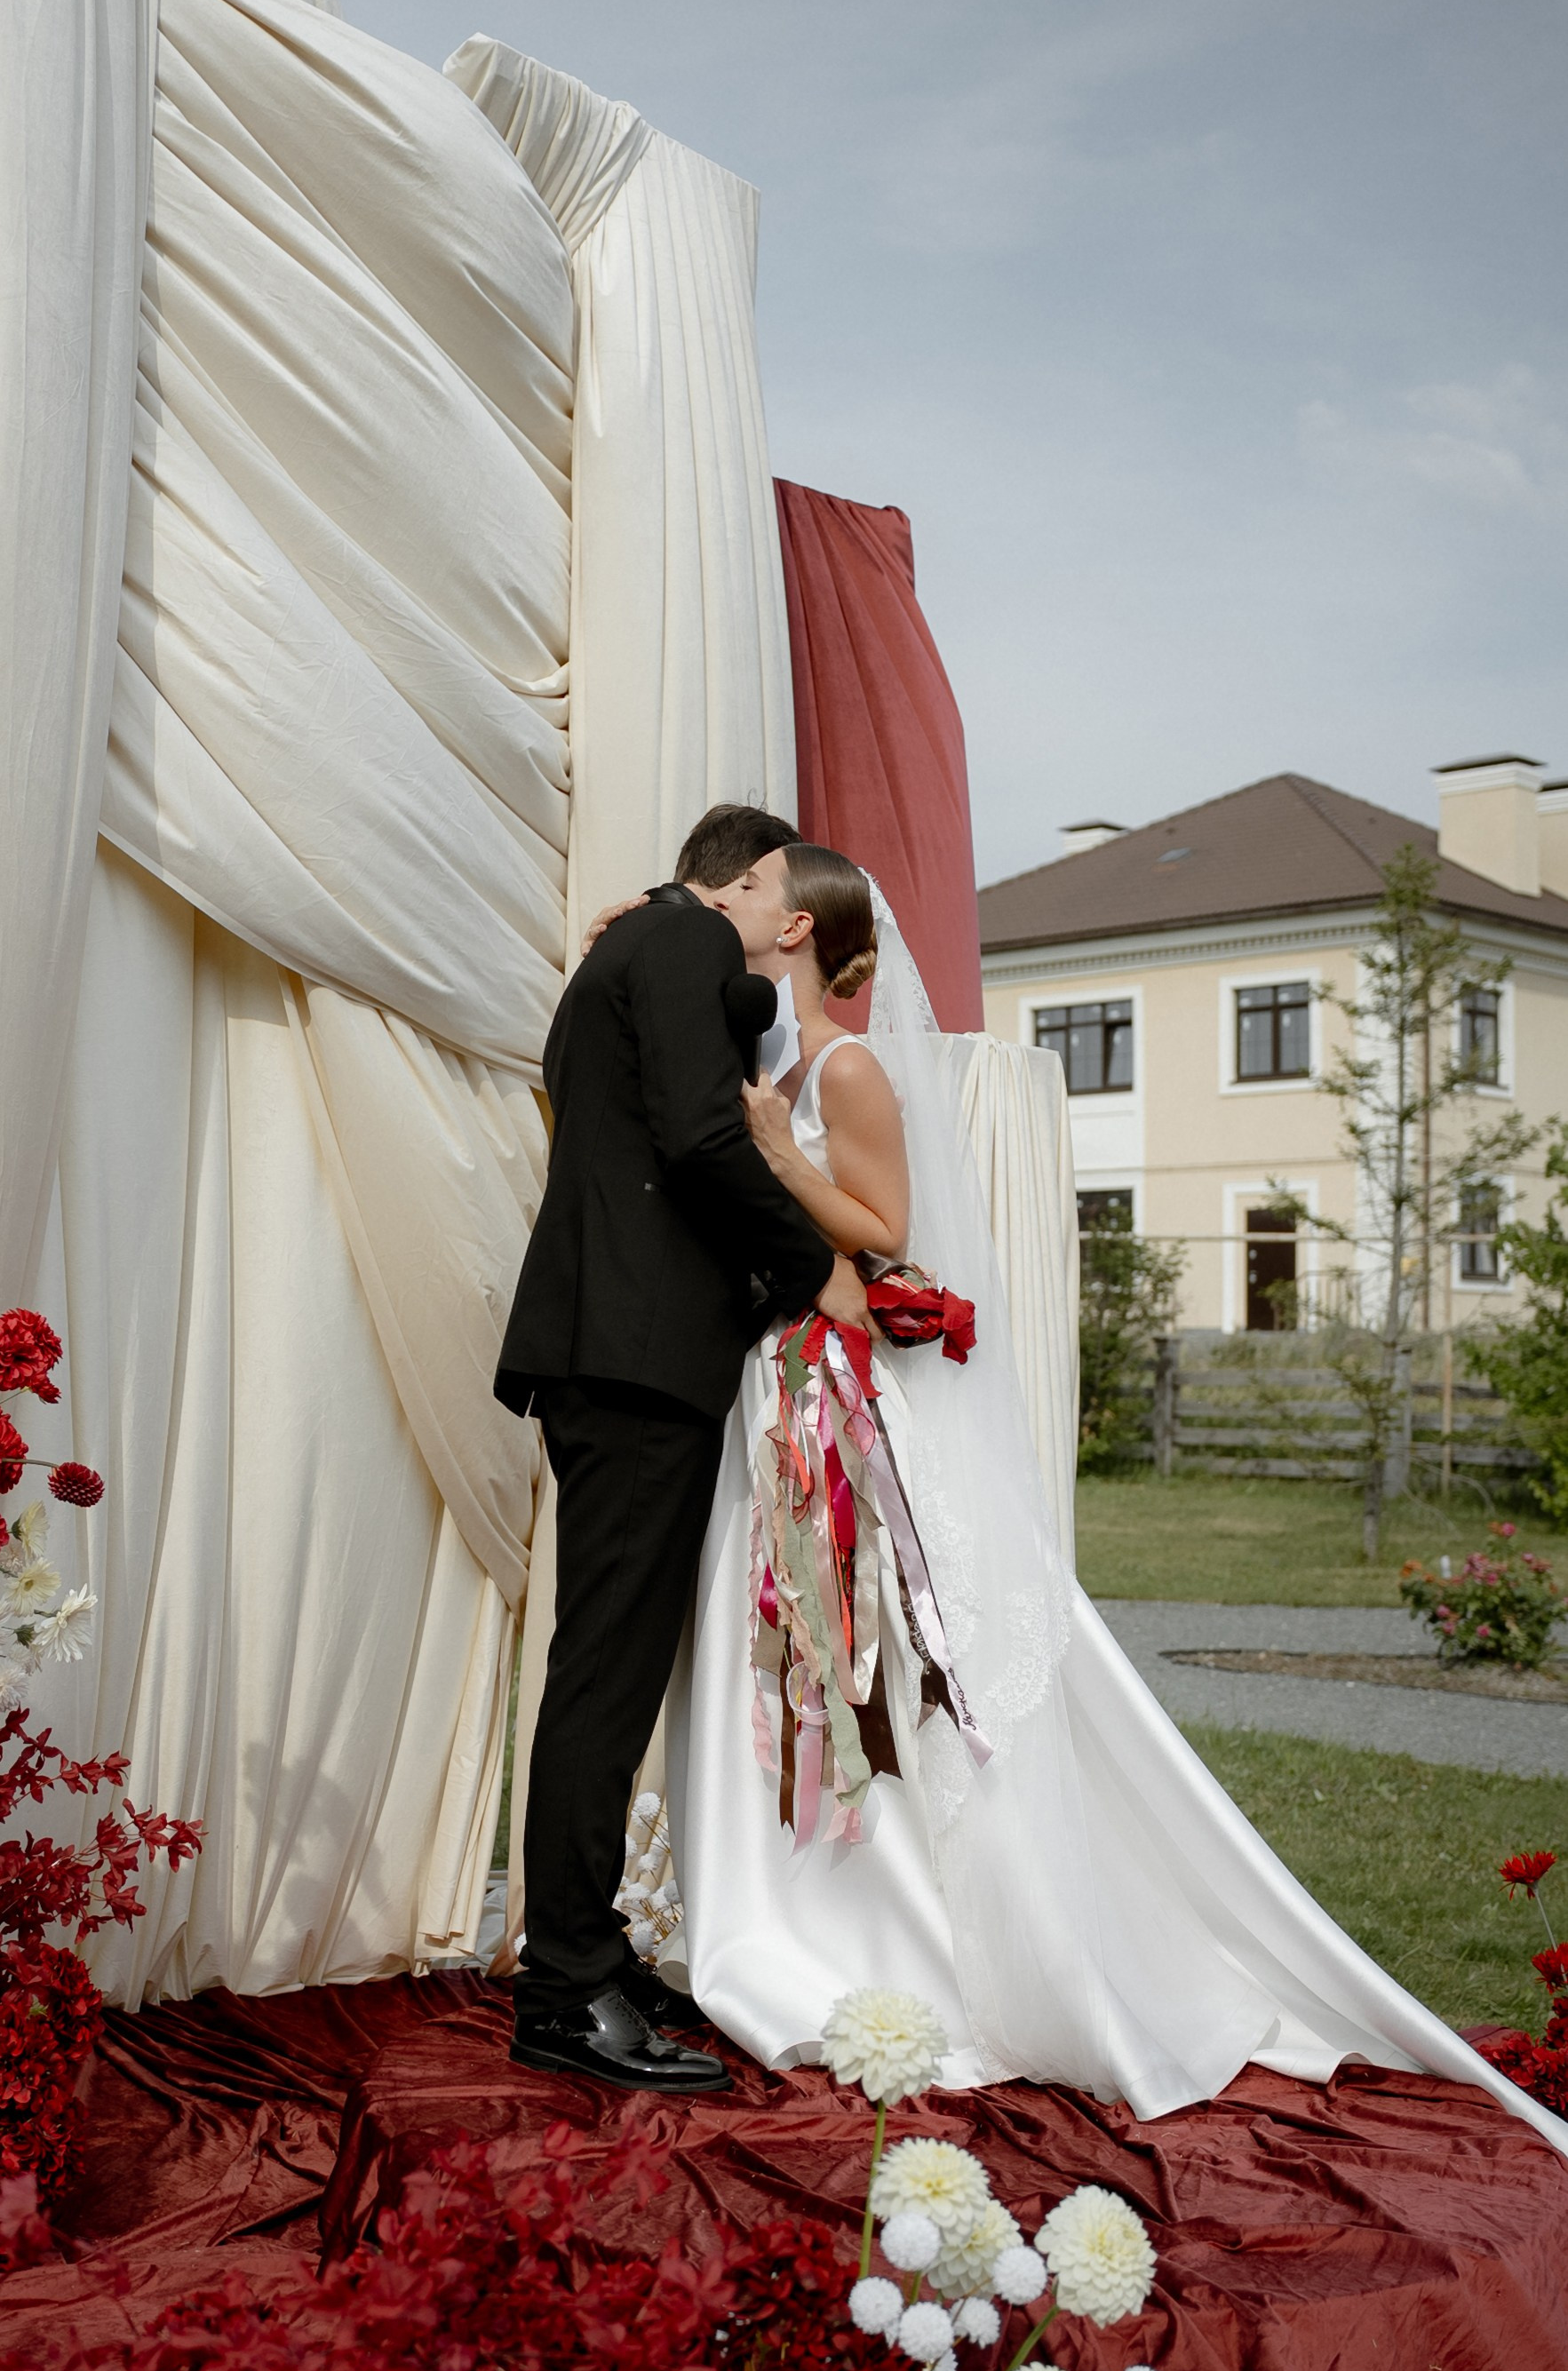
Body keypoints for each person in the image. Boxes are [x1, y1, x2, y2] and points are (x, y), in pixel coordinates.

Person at [657, 839, 1568, 2157]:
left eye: (747, 888)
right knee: (806, 1658)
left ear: (795, 927)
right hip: (778, 1393)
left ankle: (942, 1939)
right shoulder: (768, 1065)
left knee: (901, 1660)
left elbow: (884, 1225)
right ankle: (803, 1921)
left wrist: (768, 1157)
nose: (725, 899)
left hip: (842, 1405)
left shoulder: (842, 1069)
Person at [493, 806, 866, 2094]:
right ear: (744, 880)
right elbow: (701, 1137)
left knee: (612, 1667)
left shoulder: (641, 950)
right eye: (773, 889)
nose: (779, 919)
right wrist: (814, 1267)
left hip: (617, 1349)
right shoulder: (682, 940)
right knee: (604, 1674)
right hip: (634, 1354)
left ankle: (588, 1952)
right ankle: (563, 1991)